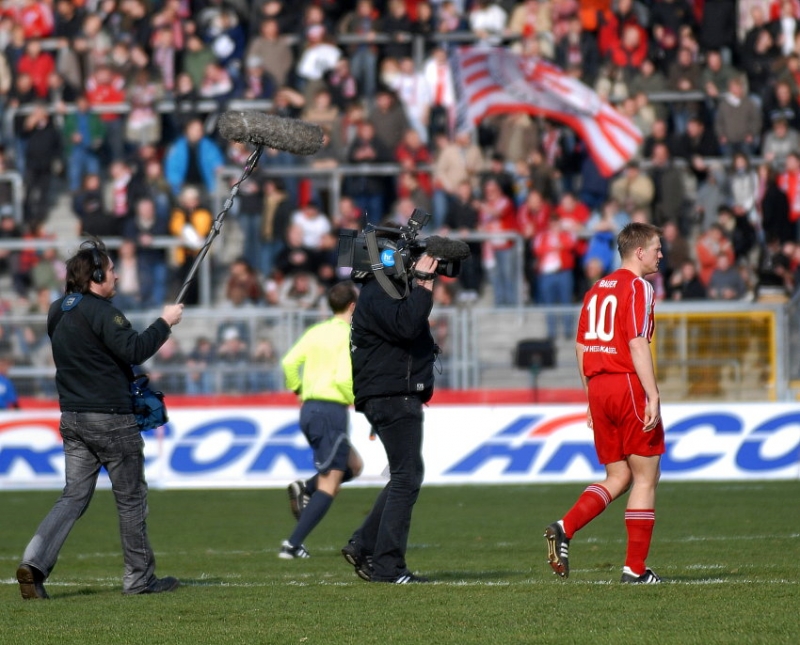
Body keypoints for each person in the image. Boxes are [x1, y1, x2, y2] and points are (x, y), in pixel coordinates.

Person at [16, 239, 184, 600]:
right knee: (131, 499)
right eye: (111, 270)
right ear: (95, 277)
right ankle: (139, 580)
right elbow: (135, 349)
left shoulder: (57, 310)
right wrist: (165, 322)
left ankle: (34, 562)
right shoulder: (105, 313)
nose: (117, 275)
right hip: (111, 420)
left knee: (72, 496)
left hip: (72, 418)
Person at [544, 222, 665, 585]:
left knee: (619, 475)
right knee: (646, 477)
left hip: (598, 387)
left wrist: (588, 397)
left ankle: (564, 527)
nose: (661, 254)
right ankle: (635, 569)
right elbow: (637, 342)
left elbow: (581, 347)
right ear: (639, 251)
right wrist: (653, 394)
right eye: (657, 248)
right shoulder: (639, 287)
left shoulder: (597, 289)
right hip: (627, 383)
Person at [340, 241, 440, 584]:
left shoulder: (375, 292)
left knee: (406, 473)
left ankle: (364, 543)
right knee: (407, 477)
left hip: (389, 393)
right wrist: (424, 284)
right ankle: (387, 566)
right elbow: (409, 323)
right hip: (393, 394)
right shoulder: (377, 293)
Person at [278, 281, 363, 559]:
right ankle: (292, 545)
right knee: (331, 482)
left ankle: (305, 487)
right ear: (352, 305)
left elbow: (289, 363)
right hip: (330, 410)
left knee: (354, 465)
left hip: (310, 409)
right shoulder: (350, 334)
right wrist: (358, 399)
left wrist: (299, 389)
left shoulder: (316, 331)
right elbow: (341, 378)